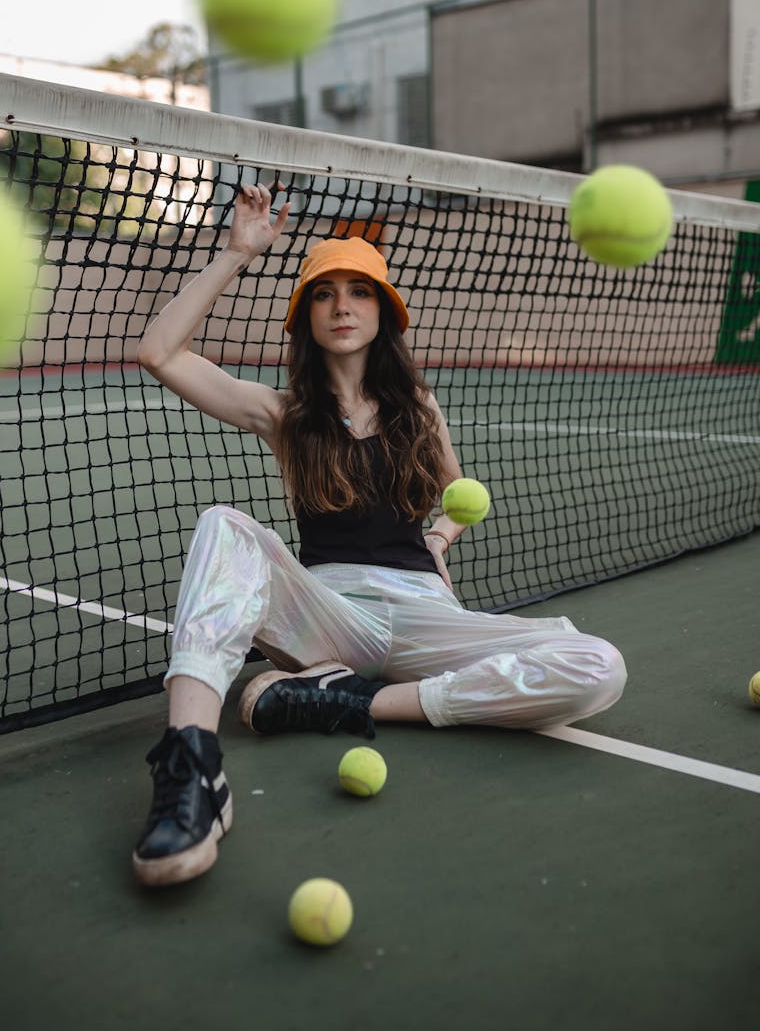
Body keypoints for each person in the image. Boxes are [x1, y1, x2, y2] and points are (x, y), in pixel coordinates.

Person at [132, 182, 627, 887]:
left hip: (425, 614)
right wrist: (237, 253)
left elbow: (458, 497)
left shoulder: (419, 407)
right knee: (223, 526)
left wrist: (440, 539)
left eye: (359, 292)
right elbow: (159, 352)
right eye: (325, 294)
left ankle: (345, 701)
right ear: (306, 316)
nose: (342, 307)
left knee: (598, 665)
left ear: (382, 311)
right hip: (330, 617)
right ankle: (191, 765)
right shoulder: (283, 414)